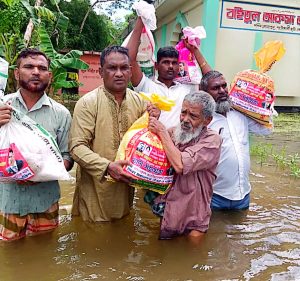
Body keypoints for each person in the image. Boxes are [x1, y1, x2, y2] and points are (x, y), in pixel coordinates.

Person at [68, 45, 159, 223]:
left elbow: (147, 143)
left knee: (124, 233)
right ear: (101, 72)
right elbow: (76, 147)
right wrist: (107, 167)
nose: (119, 73)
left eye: (124, 68)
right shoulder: (88, 103)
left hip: (126, 189)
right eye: (112, 68)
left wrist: (155, 119)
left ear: (131, 71)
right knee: (92, 237)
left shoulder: (140, 102)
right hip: (95, 192)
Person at [0, 48, 73, 241]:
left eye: (42, 68)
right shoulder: (2, 106)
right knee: (8, 254)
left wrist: (40, 172)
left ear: (49, 75)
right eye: (29, 67)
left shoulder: (61, 114)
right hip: (7, 201)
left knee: (45, 253)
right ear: (16, 73)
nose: (36, 72)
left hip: (45, 201)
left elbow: (67, 157)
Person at [148, 91, 222, 240]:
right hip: (169, 211)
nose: (185, 119)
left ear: (207, 120)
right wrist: (152, 119)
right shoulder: (173, 132)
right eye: (183, 113)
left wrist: (161, 131)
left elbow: (180, 165)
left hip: (194, 217)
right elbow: (150, 149)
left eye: (193, 116)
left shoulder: (213, 140)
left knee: (193, 255)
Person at [200, 70, 273, 210]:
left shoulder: (240, 114)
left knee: (241, 230)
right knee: (214, 230)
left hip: (243, 194)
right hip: (214, 196)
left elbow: (266, 130)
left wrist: (264, 105)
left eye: (224, 86)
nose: (222, 91)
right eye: (215, 88)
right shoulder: (203, 120)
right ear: (204, 93)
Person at [126, 17, 212, 129]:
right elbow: (129, 59)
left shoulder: (187, 88)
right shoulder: (146, 85)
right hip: (151, 142)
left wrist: (195, 50)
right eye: (166, 62)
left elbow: (211, 80)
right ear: (156, 66)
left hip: (178, 144)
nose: (171, 66)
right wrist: (141, 18)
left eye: (174, 63)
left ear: (179, 65)